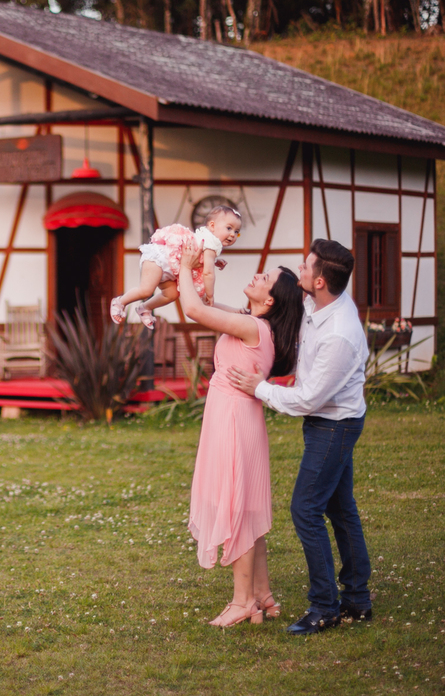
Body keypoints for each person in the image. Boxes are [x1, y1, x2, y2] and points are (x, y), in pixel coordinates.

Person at [226, 239, 373, 636]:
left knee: (305, 510)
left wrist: (259, 387)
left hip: (334, 425)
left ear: (321, 280)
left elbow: (308, 399)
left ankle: (325, 606)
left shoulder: (339, 334)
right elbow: (288, 311)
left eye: (306, 268)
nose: (300, 272)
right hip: (328, 421)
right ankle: (357, 599)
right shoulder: (318, 304)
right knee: (341, 510)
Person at [177, 247, 304, 629]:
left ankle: (242, 601)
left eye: (265, 278)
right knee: (245, 506)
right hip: (233, 415)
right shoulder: (250, 321)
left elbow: (195, 312)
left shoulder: (254, 328)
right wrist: (203, 268)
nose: (257, 275)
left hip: (233, 418)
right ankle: (262, 594)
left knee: (236, 506)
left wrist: (184, 265)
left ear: (271, 300)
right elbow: (205, 303)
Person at [110, 206, 242, 330]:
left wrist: (215, 261)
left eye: (237, 232)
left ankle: (144, 308)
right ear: (212, 226)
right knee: (146, 290)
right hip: (159, 259)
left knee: (172, 294)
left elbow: (200, 257)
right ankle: (119, 302)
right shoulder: (212, 244)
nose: (232, 235)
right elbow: (208, 273)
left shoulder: (208, 241)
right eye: (229, 228)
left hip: (169, 269)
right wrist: (210, 294)